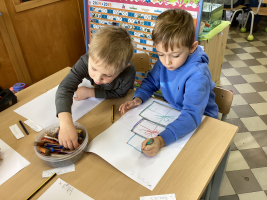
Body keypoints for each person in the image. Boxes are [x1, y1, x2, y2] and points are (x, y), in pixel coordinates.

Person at [119, 9, 218, 157]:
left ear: (192, 47)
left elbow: (192, 115)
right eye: (160, 54)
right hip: (176, 112)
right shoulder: (165, 62)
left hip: (202, 119)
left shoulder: (198, 75)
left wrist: (161, 140)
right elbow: (151, 81)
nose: (166, 62)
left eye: (175, 55)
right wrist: (138, 98)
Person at [56, 26, 136, 150]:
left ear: (124, 67)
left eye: (107, 75)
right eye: (93, 69)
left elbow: (120, 93)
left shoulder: (128, 73)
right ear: (90, 52)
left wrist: (91, 92)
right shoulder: (86, 60)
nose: (97, 79)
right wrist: (65, 124)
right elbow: (65, 87)